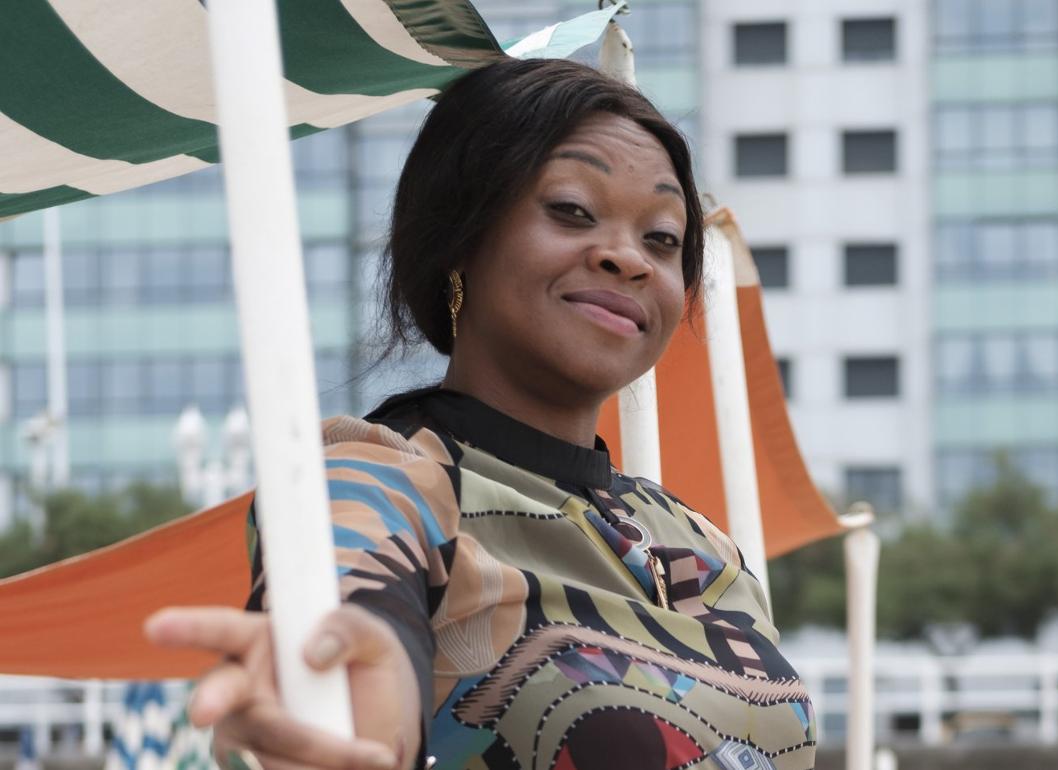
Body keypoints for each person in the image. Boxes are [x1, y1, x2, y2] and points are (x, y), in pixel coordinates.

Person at [145, 57, 815, 770]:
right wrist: (340, 705)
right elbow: (347, 623)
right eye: (571, 210)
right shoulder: (379, 479)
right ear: (461, 234)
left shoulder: (703, 541)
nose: (628, 257)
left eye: (661, 238)